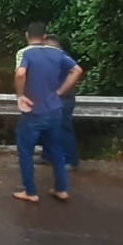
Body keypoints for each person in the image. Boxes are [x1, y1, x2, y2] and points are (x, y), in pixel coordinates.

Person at [13, 22, 83, 205]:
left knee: (25, 152)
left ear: (27, 36)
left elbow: (20, 74)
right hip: (54, 110)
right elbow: (77, 70)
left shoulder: (25, 53)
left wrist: (20, 96)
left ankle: (30, 191)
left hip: (33, 112)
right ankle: (61, 189)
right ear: (44, 37)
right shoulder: (57, 53)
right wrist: (60, 91)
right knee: (56, 150)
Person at [46, 34, 81, 170]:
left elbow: (77, 71)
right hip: (52, 99)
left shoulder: (62, 57)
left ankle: (70, 160)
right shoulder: (50, 58)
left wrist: (60, 92)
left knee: (64, 129)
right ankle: (48, 156)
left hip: (63, 99)